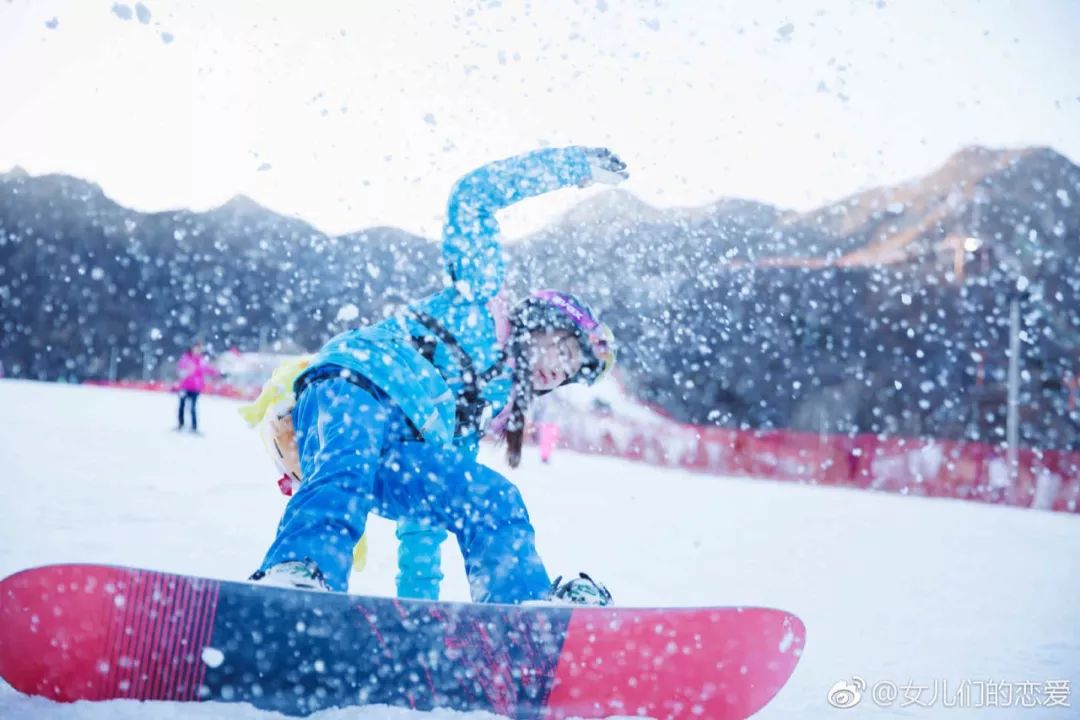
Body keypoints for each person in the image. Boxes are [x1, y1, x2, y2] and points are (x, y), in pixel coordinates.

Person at [248, 146, 625, 605]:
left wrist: (417, 609)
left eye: (569, 371)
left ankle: (524, 606)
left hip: (397, 453)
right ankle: (300, 571)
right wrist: (572, 168)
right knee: (345, 469)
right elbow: (472, 197)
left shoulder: (481, 405)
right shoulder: (482, 297)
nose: (558, 369)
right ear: (541, 319)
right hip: (356, 383)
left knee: (491, 497)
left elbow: (424, 523)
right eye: (564, 349)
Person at [175, 341, 219, 433]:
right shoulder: (186, 358)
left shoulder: (201, 361)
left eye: (200, 349)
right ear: (192, 348)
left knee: (193, 408)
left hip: (196, 388)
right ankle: (181, 424)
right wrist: (186, 372)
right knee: (182, 406)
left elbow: (208, 369)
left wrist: (217, 373)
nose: (198, 351)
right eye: (196, 348)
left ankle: (194, 427)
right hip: (185, 387)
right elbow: (181, 370)